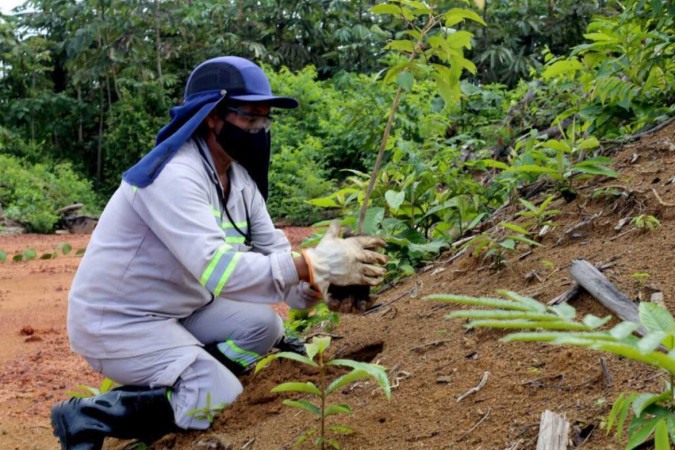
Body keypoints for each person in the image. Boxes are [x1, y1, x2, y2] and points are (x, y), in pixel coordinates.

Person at [50, 56, 387, 450]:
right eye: (249, 118)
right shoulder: (173, 176)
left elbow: (283, 269)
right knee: (219, 392)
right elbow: (222, 272)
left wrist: (321, 283)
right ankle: (91, 415)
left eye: (266, 119)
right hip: (119, 322)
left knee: (264, 326)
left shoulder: (240, 183)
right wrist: (311, 261)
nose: (260, 129)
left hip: (179, 310)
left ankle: (179, 383)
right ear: (212, 116)